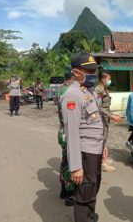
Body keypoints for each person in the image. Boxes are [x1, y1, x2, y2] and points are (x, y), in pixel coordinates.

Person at [61, 52, 107, 222]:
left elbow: (95, 123)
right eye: (88, 70)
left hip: (94, 150)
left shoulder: (88, 92)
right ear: (75, 72)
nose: (93, 73)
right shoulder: (72, 95)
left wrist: (103, 146)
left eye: (94, 69)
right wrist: (75, 167)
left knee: (93, 187)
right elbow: (71, 133)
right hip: (84, 153)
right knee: (84, 193)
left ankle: (90, 217)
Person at [95, 71, 121, 173]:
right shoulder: (98, 90)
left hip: (106, 117)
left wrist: (112, 115)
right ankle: (102, 163)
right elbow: (99, 107)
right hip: (101, 118)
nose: (109, 81)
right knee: (101, 139)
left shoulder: (104, 89)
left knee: (104, 139)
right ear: (102, 79)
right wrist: (112, 116)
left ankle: (103, 158)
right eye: (108, 79)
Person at [57, 69, 75, 206]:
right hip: (69, 132)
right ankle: (70, 194)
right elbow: (70, 116)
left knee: (65, 160)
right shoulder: (68, 92)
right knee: (70, 162)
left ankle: (63, 189)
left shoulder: (61, 89)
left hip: (63, 130)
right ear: (72, 78)